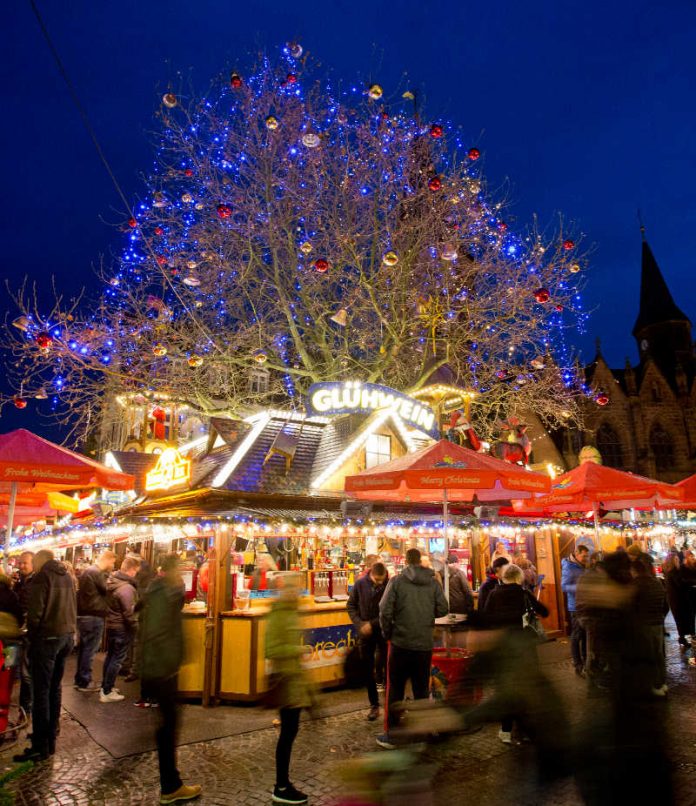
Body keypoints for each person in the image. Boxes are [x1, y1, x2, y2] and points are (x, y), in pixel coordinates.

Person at [140, 554, 201, 804]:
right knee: (168, 725)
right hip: (161, 668)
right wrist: (168, 663)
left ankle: (171, 782)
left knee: (168, 725)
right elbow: (156, 632)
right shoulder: (162, 593)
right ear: (172, 570)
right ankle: (170, 786)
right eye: (181, 570)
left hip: (160, 666)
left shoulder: (161, 591)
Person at [377, 548, 448, 749]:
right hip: (424, 646)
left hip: (400, 644)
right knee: (422, 691)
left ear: (406, 561)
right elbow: (443, 608)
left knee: (396, 690)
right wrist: (426, 615)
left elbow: (384, 610)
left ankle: (393, 735)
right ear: (420, 561)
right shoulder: (433, 582)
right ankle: (422, 734)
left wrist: (387, 632)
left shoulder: (397, 582)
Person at [14, 549, 76, 762]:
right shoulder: (67, 576)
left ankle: (41, 745)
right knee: (54, 688)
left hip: (48, 638)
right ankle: (50, 737)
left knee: (41, 691)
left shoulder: (42, 577)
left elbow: (35, 613)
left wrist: (30, 635)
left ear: (39, 561)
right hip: (66, 636)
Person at [481, 563, 550, 744]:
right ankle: (525, 730)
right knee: (526, 688)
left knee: (505, 689)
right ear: (519, 578)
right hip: (524, 648)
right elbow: (545, 611)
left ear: (503, 577)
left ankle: (505, 730)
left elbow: (486, 618)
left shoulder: (494, 594)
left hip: (503, 648)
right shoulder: (524, 594)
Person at [265, 572, 312, 805]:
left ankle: (283, 783)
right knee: (287, 734)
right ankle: (281, 785)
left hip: (295, 682)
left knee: (290, 732)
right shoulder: (279, 613)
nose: (297, 592)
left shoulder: (292, 611)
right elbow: (271, 649)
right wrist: (298, 650)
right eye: (294, 588)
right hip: (285, 680)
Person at [347, 561, 388, 721]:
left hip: (384, 632)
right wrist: (360, 624)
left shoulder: (389, 584)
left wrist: (371, 624)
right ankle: (374, 705)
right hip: (365, 634)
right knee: (367, 669)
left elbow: (390, 611)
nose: (379, 583)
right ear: (371, 574)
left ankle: (391, 704)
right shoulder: (360, 584)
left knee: (388, 667)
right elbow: (351, 606)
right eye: (377, 580)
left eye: (382, 580)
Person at [74, 550, 116, 691]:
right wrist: (110, 578)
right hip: (93, 616)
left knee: (84, 649)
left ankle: (79, 680)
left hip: (85, 615)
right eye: (112, 562)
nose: (112, 565)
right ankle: (85, 681)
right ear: (107, 559)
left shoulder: (88, 571)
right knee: (89, 650)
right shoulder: (96, 572)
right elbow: (106, 589)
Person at [100, 556, 140, 703]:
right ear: (131, 570)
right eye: (136, 571)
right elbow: (129, 613)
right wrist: (136, 627)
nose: (136, 574)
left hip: (111, 624)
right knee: (116, 660)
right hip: (121, 627)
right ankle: (107, 691)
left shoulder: (112, 582)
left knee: (111, 657)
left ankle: (105, 686)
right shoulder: (126, 588)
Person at [631, 553, 669, 696]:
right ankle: (662, 682)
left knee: (649, 655)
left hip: (644, 625)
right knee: (659, 654)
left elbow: (631, 606)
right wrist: (660, 617)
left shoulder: (636, 585)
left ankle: (654, 685)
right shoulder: (657, 582)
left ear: (635, 571)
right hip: (658, 623)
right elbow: (665, 605)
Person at [561, 543, 590, 675]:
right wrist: (580, 588)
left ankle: (586, 661)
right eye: (584, 556)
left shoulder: (582, 566)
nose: (586, 558)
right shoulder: (569, 567)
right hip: (575, 607)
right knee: (577, 635)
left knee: (584, 635)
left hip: (584, 605)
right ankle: (578, 663)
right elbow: (564, 587)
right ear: (577, 554)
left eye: (587, 556)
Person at [12, 551, 34, 719]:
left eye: (25, 563)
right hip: (16, 634)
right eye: (20, 563)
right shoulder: (20, 582)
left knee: (26, 674)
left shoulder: (35, 583)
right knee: (13, 668)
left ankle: (25, 708)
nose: (21, 566)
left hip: (27, 635)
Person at [663, 552, 694, 648]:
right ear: (672, 562)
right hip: (678, 600)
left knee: (681, 618)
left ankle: (684, 637)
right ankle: (683, 638)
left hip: (676, 599)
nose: (678, 561)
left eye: (678, 559)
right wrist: (691, 583)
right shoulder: (673, 572)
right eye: (676, 560)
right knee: (681, 619)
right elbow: (680, 584)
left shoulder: (671, 571)